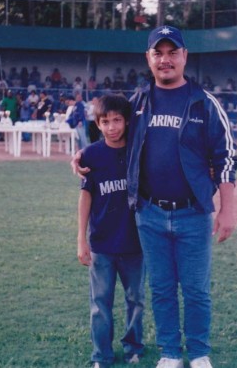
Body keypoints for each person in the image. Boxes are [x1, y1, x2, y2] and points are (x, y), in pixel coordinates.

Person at [74, 25, 237, 368]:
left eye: (172, 52)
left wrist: (227, 210)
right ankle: (169, 353)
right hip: (149, 214)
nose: (165, 60)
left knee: (195, 290)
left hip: (194, 213)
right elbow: (112, 141)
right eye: (158, 53)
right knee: (161, 290)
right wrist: (80, 157)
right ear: (148, 59)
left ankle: (198, 353)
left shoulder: (204, 103)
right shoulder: (137, 103)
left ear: (184, 57)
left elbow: (226, 158)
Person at [77, 94, 145, 368]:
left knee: (136, 300)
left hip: (135, 244)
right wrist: (81, 239)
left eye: (117, 120)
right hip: (102, 244)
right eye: (105, 121)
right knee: (100, 304)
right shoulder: (91, 154)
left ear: (127, 121)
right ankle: (101, 355)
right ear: (98, 123)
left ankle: (133, 347)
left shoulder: (138, 151)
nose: (112, 127)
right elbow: (85, 198)